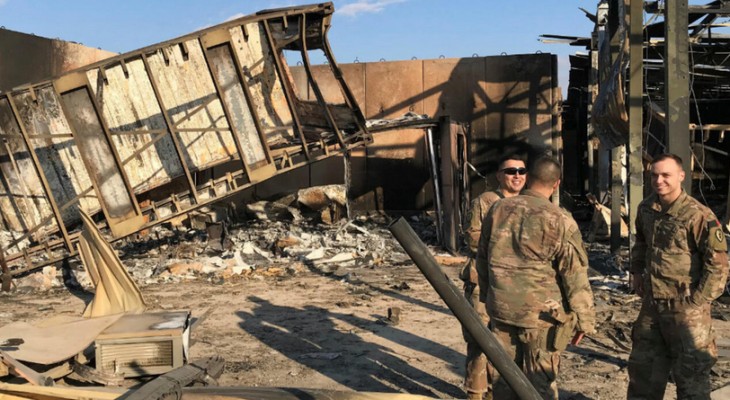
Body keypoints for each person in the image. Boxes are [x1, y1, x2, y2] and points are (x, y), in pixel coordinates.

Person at [476, 156, 595, 400]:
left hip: (501, 311)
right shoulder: (560, 219)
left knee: (503, 381)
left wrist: (489, 297)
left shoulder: (498, 209)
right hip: (541, 318)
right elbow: (574, 275)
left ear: (528, 177)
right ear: (557, 183)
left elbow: (482, 259)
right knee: (540, 385)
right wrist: (584, 320)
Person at [627, 153, 728, 400]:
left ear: (681, 176)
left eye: (666, 175)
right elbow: (641, 242)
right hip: (653, 305)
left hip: (685, 308)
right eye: (654, 175)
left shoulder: (698, 215)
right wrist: (636, 272)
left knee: (691, 377)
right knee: (643, 372)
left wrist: (697, 302)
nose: (659, 180)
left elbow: (718, 264)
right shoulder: (646, 208)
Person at [460, 155, 527, 400]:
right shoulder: (485, 201)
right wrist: (510, 247)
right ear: (499, 176)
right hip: (483, 281)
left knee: (508, 343)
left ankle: (496, 391)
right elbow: (472, 238)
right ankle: (476, 393)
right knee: (479, 340)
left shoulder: (528, 204)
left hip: (515, 286)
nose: (517, 175)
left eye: (521, 171)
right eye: (510, 171)